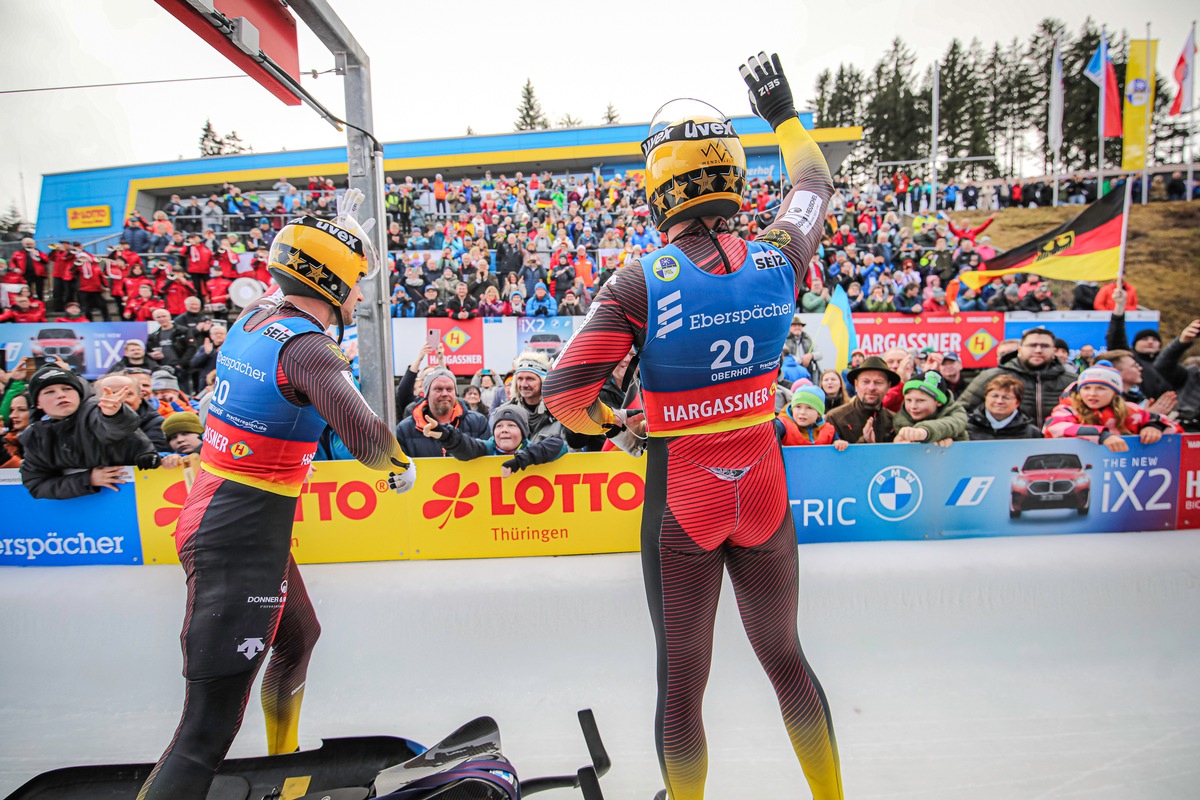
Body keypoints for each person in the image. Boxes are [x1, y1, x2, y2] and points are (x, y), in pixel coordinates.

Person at [543, 53, 843, 800]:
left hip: (684, 493)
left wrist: (620, 428)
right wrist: (781, 112)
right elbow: (815, 183)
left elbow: (563, 396)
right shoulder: (780, 256)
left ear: (658, 193)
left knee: (682, 687)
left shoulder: (641, 279)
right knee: (786, 660)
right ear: (735, 184)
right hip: (762, 482)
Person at [138, 189, 418, 800]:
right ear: (332, 281)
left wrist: (338, 235)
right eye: (358, 282)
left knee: (298, 635)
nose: (363, 297)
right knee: (203, 735)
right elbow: (368, 434)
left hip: (234, 516)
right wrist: (398, 468)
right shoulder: (309, 346)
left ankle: (282, 771)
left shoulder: (257, 316)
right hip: (238, 530)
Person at [19, 365, 160, 500]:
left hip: (134, 498)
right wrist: (88, 479)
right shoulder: (34, 436)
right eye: (49, 392)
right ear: (37, 403)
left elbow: (114, 428)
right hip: (82, 515)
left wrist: (112, 414)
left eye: (67, 388)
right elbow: (37, 484)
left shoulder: (95, 411)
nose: (61, 395)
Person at [1043, 362, 1179, 451]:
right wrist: (1102, 436)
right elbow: (1052, 428)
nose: (1092, 394)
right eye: (1087, 388)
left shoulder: (1131, 410)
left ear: (1115, 392)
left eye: (1101, 388)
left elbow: (1173, 428)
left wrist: (1154, 427)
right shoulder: (1067, 409)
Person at [957, 327, 1075, 428]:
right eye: (1032, 345)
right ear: (1020, 350)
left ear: (1053, 351)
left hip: (1059, 448)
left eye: (1045, 346)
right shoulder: (992, 376)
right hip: (1006, 447)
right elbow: (960, 411)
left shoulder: (1071, 381)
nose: (1038, 350)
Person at [422, 403, 567, 475]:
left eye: (511, 425)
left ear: (523, 432)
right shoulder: (486, 448)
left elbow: (559, 445)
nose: (504, 429)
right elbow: (467, 446)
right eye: (499, 426)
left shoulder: (532, 449)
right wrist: (446, 435)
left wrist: (523, 459)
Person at [394, 367, 489, 457]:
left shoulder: (478, 422)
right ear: (427, 394)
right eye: (438, 389)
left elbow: (488, 457)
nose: (444, 394)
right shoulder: (404, 430)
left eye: (449, 389)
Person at [826, 355, 899, 449]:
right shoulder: (835, 418)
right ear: (856, 384)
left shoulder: (894, 421)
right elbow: (831, 458)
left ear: (888, 386)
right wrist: (864, 441)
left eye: (878, 382)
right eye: (865, 382)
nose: (871, 388)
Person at [892, 371, 968, 445]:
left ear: (938, 402)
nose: (913, 406)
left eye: (920, 400)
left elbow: (949, 425)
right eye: (908, 400)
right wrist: (897, 445)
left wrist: (924, 432)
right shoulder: (900, 420)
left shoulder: (956, 412)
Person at [965, 374, 1043, 440]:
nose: (999, 401)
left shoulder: (1031, 433)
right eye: (994, 396)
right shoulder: (967, 426)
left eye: (1006, 397)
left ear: (1017, 402)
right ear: (986, 398)